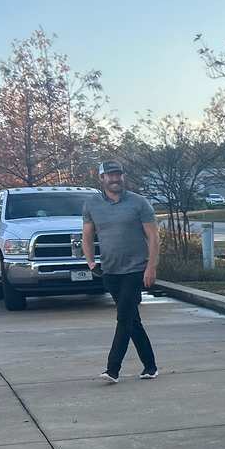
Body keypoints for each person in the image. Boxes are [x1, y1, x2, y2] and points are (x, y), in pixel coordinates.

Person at [82, 160, 160, 383]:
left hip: (136, 269)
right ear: (102, 178)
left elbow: (153, 237)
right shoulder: (91, 204)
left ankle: (112, 369)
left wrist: (151, 267)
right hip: (110, 270)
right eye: (110, 175)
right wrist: (91, 263)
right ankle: (150, 366)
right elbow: (87, 235)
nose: (115, 179)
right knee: (132, 320)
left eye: (118, 175)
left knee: (124, 317)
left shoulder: (139, 202)